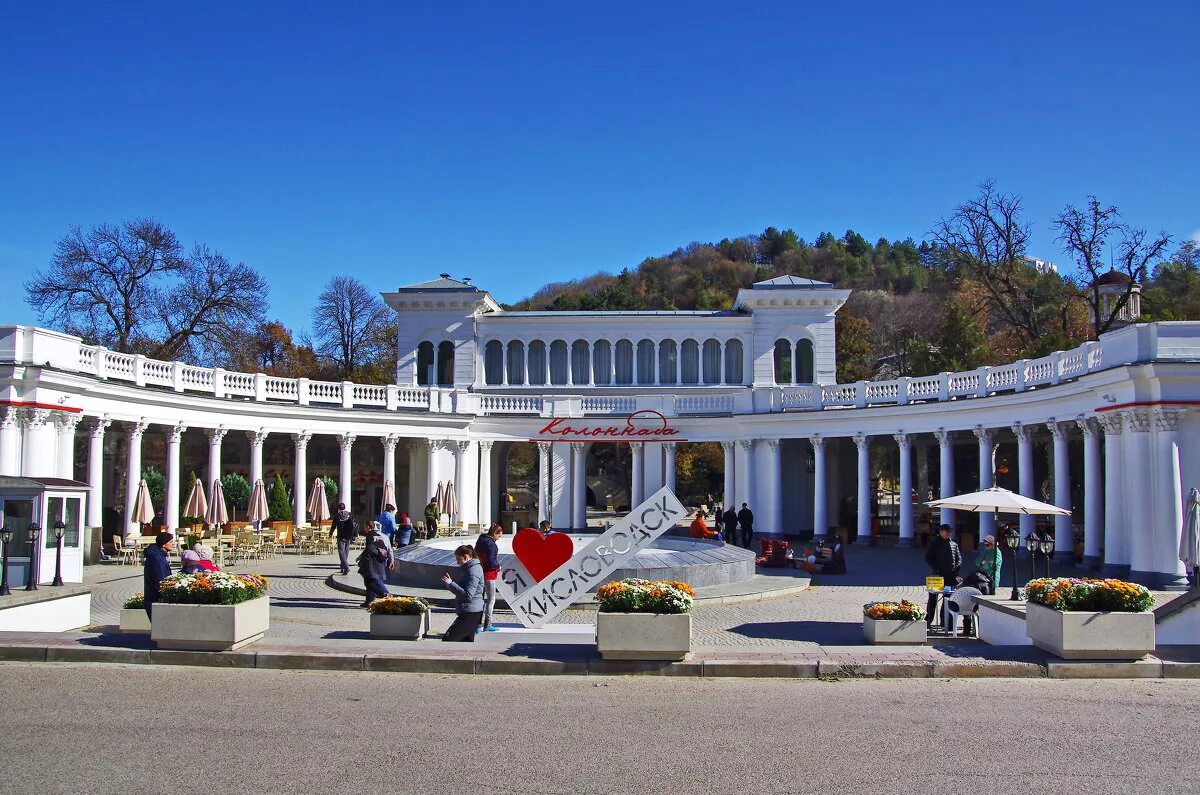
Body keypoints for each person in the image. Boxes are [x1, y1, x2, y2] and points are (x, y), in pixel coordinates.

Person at [440, 544, 484, 641]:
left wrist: (451, 583)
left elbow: (467, 595)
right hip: (469, 610)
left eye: (459, 559)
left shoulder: (473, 571)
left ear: (466, 557)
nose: (457, 562)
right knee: (465, 642)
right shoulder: (468, 569)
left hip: (471, 612)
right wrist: (449, 584)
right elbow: (461, 590)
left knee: (449, 639)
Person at [924, 524, 963, 630]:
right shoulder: (935, 544)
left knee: (948, 599)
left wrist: (957, 567)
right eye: (946, 531)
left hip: (950, 577)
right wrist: (936, 568)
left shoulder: (954, 544)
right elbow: (927, 558)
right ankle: (927, 621)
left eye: (950, 531)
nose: (949, 533)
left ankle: (945, 622)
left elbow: (959, 558)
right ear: (941, 532)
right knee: (932, 600)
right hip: (936, 576)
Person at [475, 523, 503, 631]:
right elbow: (491, 562)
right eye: (499, 536)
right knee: (491, 599)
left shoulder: (480, 541)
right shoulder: (491, 544)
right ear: (495, 533)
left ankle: (477, 625)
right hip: (489, 574)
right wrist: (498, 566)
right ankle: (487, 624)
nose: (499, 538)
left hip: (479, 573)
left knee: (479, 600)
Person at [357, 523, 391, 607]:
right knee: (369, 580)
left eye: (365, 527)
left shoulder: (370, 535)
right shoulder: (379, 536)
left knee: (370, 582)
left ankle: (385, 594)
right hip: (380, 561)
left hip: (371, 561)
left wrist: (364, 558)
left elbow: (369, 548)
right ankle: (369, 601)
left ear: (368, 527)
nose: (364, 529)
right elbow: (386, 548)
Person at [143, 532, 175, 618]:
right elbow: (160, 581)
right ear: (164, 544)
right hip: (156, 600)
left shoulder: (158, 556)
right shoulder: (158, 559)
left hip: (153, 599)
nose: (173, 544)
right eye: (171, 542)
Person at [332, 502, 356, 576]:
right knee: (346, 552)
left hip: (341, 536)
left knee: (341, 552)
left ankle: (346, 567)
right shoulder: (350, 515)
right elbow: (354, 524)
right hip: (348, 536)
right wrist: (354, 534)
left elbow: (333, 526)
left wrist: (330, 533)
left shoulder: (337, 516)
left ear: (338, 509)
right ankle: (342, 567)